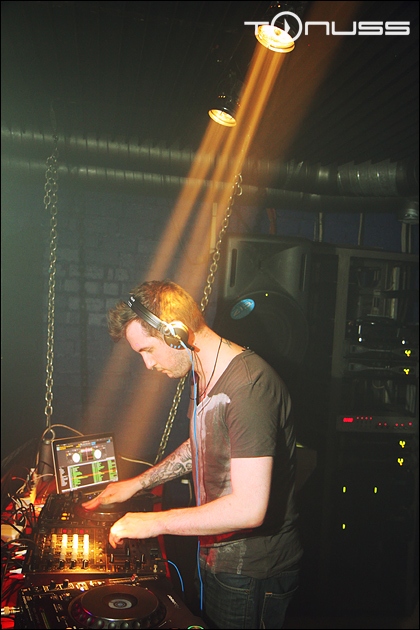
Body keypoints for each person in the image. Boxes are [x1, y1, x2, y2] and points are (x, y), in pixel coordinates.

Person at [82, 280, 303, 629]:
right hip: (216, 557)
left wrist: (153, 523)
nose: (147, 364)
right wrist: (137, 483)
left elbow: (249, 508)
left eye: (148, 350)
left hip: (251, 572)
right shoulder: (202, 374)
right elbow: (200, 444)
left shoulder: (249, 387)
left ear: (176, 333)